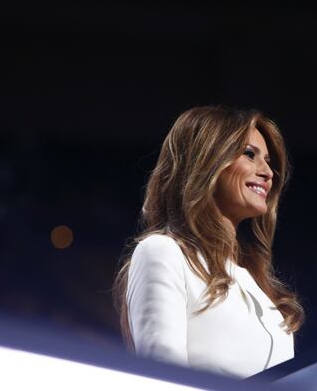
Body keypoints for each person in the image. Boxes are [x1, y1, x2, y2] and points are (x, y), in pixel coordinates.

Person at [112, 105, 304, 378]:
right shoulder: (163, 253)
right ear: (207, 161)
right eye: (250, 154)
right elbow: (164, 379)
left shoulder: (260, 286)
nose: (268, 172)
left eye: (269, 161)